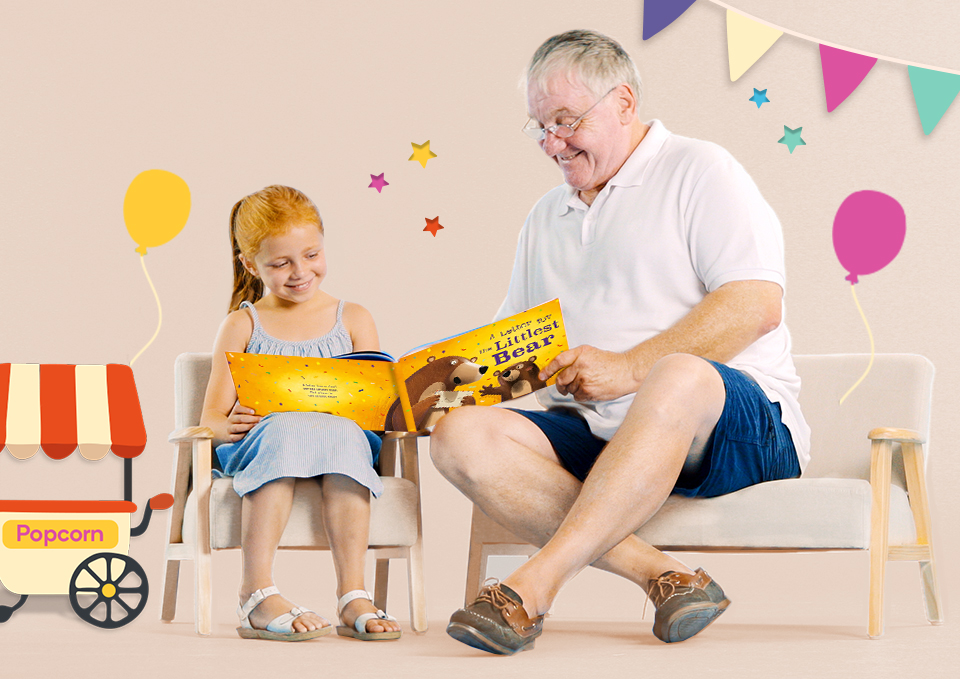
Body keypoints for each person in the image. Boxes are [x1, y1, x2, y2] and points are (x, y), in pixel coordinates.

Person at [431, 30, 811, 655]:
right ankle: (665, 578)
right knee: (457, 435)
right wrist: (429, 391)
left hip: (739, 428)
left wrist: (631, 368)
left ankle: (534, 587)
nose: (552, 143)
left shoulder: (700, 169)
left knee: (677, 374)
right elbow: (512, 349)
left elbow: (755, 304)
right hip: (605, 434)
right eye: (539, 127)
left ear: (625, 103)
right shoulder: (545, 217)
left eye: (565, 121)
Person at [200, 185, 402, 642]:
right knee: (289, 429)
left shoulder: (353, 318)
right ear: (251, 264)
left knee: (343, 434)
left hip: (342, 444)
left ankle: (353, 593)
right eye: (280, 263)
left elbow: (371, 404)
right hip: (267, 443)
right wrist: (223, 424)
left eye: (311, 254)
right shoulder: (242, 323)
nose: (300, 272)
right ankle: (257, 591)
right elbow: (209, 417)